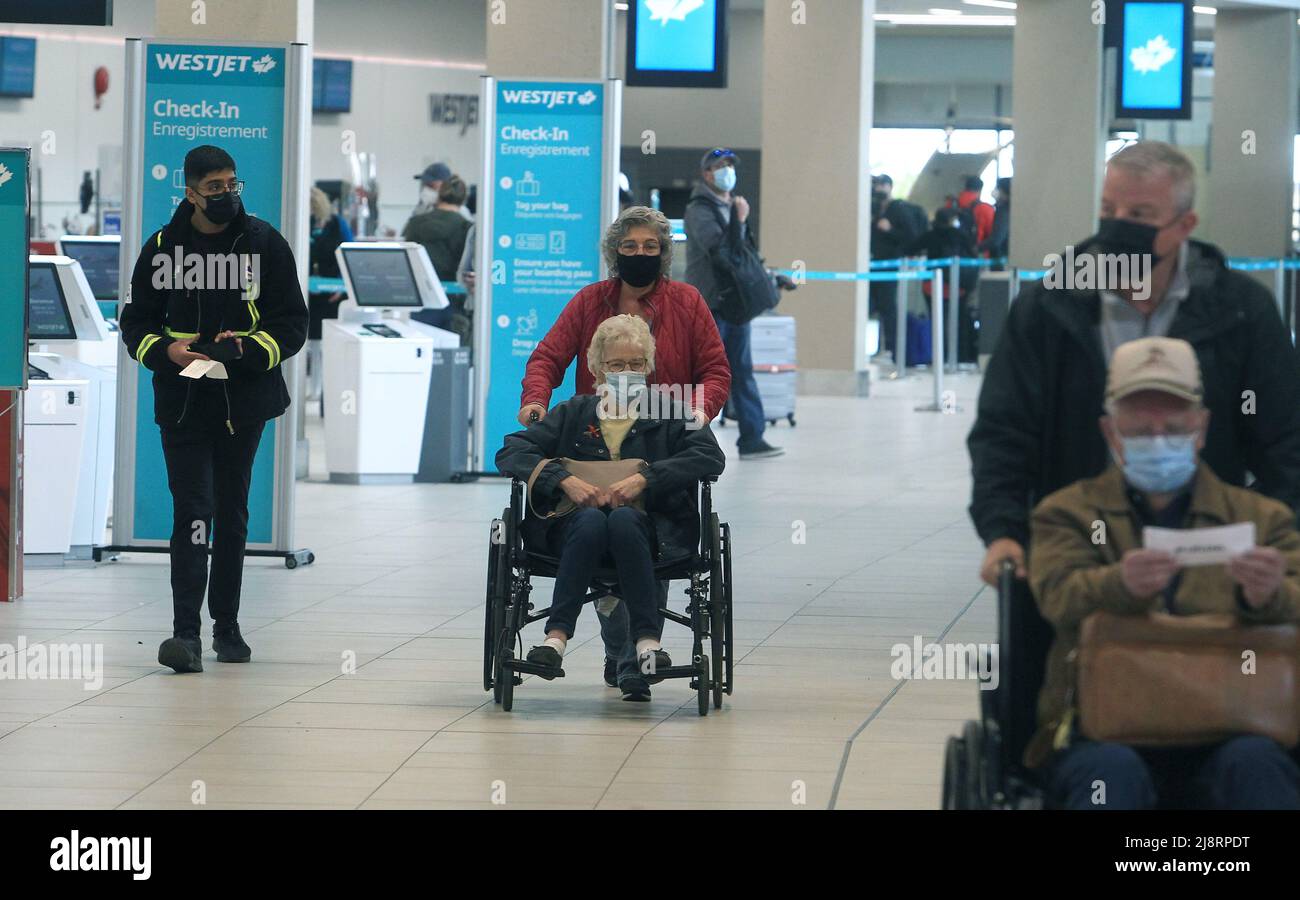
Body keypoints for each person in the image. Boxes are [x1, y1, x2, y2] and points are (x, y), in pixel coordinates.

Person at [969, 140, 1300, 587]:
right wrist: (1003, 529)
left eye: (1140, 216)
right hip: (1078, 545)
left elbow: (1284, 436)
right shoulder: (1049, 308)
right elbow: (1004, 429)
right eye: (1110, 210)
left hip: (1207, 551)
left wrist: (1271, 532)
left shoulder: (1239, 311)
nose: (1119, 227)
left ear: (1185, 225)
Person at [1027, 337, 1300, 809]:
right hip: (1104, 728)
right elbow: (1055, 595)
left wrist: (1270, 595)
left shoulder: (1261, 519)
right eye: (1139, 421)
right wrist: (1117, 585)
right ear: (1111, 432)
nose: (1157, 433)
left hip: (1235, 722)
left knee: (1258, 767)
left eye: (1173, 421)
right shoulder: (1069, 513)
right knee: (1109, 776)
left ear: (1201, 427)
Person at [519, 205, 731, 696]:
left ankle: (628, 655)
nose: (640, 255)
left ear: (664, 253)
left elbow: (715, 371)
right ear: (615, 253)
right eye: (630, 247)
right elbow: (549, 356)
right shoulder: (590, 301)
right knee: (599, 526)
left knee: (642, 528)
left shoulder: (687, 303)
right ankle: (629, 653)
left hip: (663, 436)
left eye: (651, 247)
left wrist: (696, 413)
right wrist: (536, 403)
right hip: (598, 443)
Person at [119, 145, 308, 674]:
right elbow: (134, 324)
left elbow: (292, 323)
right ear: (190, 192)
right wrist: (166, 351)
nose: (226, 195)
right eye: (215, 188)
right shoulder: (161, 248)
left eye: (233, 185)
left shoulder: (263, 243)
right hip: (182, 403)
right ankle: (185, 633)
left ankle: (227, 624)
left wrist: (246, 349)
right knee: (193, 512)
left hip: (242, 403)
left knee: (232, 513)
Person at [497, 315, 726, 701]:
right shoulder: (574, 412)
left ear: (648, 367)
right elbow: (512, 450)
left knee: (623, 519)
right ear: (597, 369)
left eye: (636, 364)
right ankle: (555, 641)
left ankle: (646, 646)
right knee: (589, 520)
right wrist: (562, 479)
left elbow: (709, 456)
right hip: (574, 531)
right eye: (616, 365)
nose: (627, 372)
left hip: (649, 533)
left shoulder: (669, 412)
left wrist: (647, 479)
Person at [683, 148, 784, 460]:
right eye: (720, 166)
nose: (727, 170)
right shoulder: (700, 209)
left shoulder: (730, 206)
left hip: (735, 305)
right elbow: (721, 253)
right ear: (707, 174)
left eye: (730, 165)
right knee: (706, 371)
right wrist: (738, 220)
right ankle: (690, 439)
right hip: (712, 303)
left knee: (741, 369)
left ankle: (753, 437)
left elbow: (743, 254)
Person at [906, 208, 981, 365]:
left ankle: (938, 355)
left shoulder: (929, 235)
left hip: (932, 285)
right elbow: (973, 254)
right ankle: (958, 356)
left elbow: (910, 248)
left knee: (936, 321)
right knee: (958, 321)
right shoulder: (960, 235)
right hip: (957, 286)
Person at [870, 173, 928, 361]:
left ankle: (892, 348)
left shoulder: (899, 210)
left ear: (889, 187)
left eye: (881, 185)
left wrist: (890, 230)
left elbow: (911, 237)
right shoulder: (874, 208)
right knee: (876, 306)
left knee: (888, 307)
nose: (877, 190)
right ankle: (882, 347)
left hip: (890, 264)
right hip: (873, 264)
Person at [306, 186, 353, 398]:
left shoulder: (337, 224)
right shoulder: (302, 223)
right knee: (310, 341)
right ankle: (313, 387)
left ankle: (325, 390)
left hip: (331, 291)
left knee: (326, 343)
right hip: (307, 291)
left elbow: (350, 255)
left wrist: (343, 286)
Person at [949, 175, 994, 248]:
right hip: (976, 252)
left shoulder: (951, 204)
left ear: (965, 187)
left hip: (953, 251)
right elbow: (992, 235)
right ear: (980, 190)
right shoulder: (985, 208)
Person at [978, 177, 1011, 263]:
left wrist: (976, 248)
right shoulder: (1015, 208)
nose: (994, 191)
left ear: (1004, 191)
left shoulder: (1004, 211)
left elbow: (996, 238)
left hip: (1001, 258)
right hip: (1009, 256)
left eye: (997, 188)